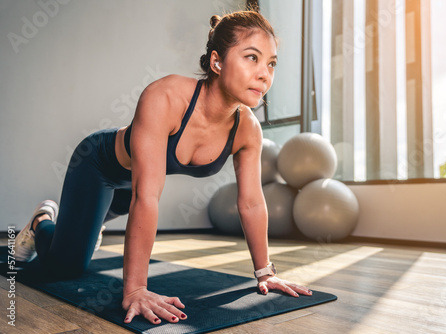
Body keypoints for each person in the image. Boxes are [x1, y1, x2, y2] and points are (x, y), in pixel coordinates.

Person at [15, 10, 312, 325]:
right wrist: (136, 289)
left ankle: (90, 223)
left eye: (271, 63)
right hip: (99, 168)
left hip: (132, 186)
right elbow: (147, 196)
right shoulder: (167, 97)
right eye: (252, 57)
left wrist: (265, 273)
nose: (265, 73)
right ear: (217, 62)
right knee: (68, 266)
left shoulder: (247, 130)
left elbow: (251, 202)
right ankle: (42, 222)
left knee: (106, 216)